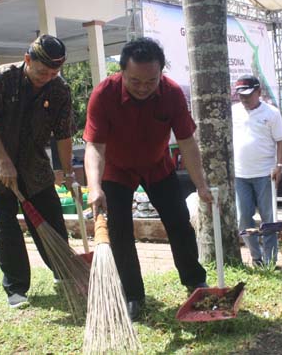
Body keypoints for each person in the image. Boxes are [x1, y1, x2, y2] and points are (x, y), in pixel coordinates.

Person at [82, 37, 211, 321]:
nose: (143, 87)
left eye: (150, 81)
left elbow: (187, 142)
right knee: (120, 234)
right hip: (116, 170)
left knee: (179, 223)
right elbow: (95, 147)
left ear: (161, 73)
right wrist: (94, 187)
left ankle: (195, 281)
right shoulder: (104, 94)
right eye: (135, 81)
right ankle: (132, 295)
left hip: (157, 166)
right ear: (122, 72)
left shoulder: (172, 93)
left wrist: (200, 183)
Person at [0, 35, 77, 309]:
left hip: (35, 166)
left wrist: (68, 173)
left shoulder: (59, 90)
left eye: (54, 73)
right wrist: (4, 160)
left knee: (51, 219)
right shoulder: (0, 78)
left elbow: (63, 134)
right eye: (42, 71)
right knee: (6, 224)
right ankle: (16, 287)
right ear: (28, 59)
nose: (48, 77)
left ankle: (63, 271)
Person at [231, 75, 282, 267]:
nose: (244, 99)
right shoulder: (234, 112)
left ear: (258, 92)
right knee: (243, 218)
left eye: (248, 94)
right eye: (240, 95)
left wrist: (279, 167)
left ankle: (270, 260)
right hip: (240, 175)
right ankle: (257, 257)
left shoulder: (271, 113)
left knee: (268, 218)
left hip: (265, 173)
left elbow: (280, 141)